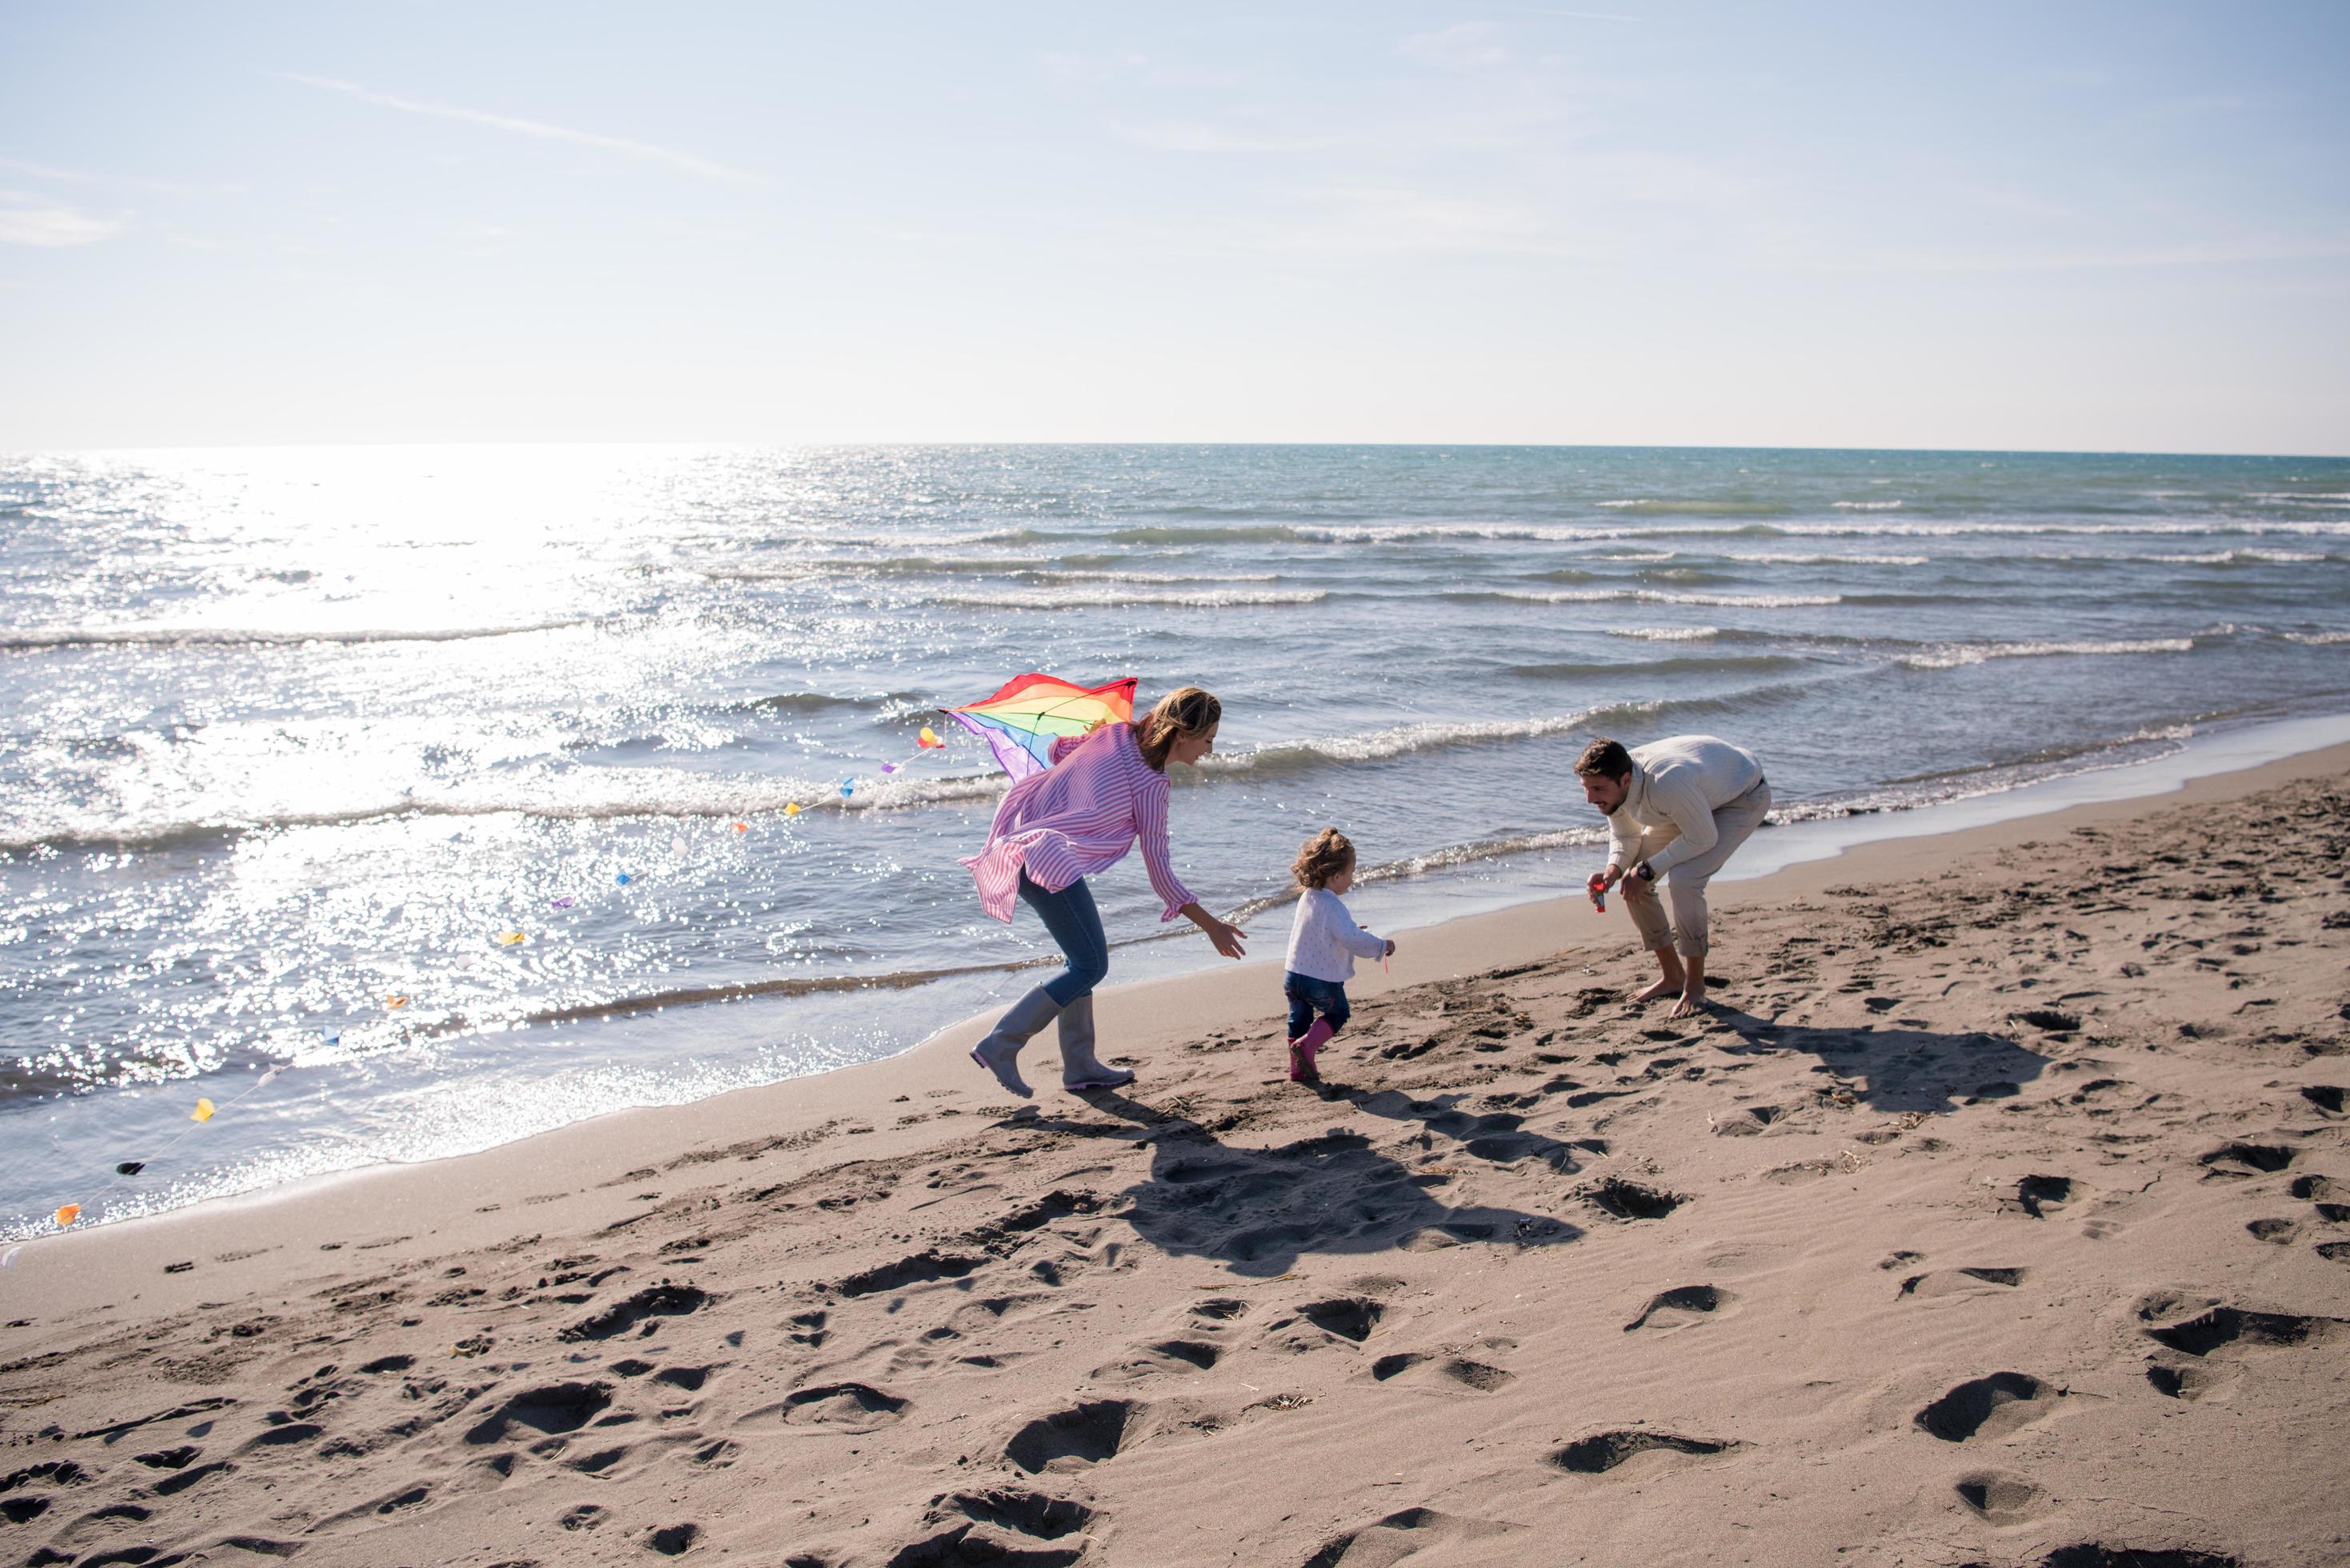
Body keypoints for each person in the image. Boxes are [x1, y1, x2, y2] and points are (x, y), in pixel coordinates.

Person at [963, 686, 1247, 1098]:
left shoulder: (1113, 734)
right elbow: (1161, 874)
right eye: (1208, 740)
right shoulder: (1152, 784)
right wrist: (1212, 926)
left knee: (1081, 960)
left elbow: (1059, 750)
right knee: (1091, 965)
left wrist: (1092, 737)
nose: (1209, 750)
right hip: (1043, 858)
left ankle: (1079, 1066)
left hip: (1031, 852)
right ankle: (1001, 1044)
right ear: (1182, 734)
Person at [1577, 734, 1771, 1018]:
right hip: (1691, 802)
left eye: (1597, 789)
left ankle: (1695, 989)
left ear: (1626, 780)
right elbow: (1626, 833)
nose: (1590, 798)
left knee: (1685, 879)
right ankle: (1672, 977)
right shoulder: (1615, 782)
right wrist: (1613, 870)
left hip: (1741, 798)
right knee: (1634, 882)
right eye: (1585, 788)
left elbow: (1703, 837)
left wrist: (1646, 871)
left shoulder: (1664, 783)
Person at [1281, 829, 1394, 1083]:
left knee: (1299, 1018)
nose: (1352, 880)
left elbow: (1321, 931)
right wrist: (1381, 945)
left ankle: (1297, 1069)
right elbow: (1353, 940)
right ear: (1336, 876)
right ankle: (1307, 1047)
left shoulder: (1307, 897)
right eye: (1351, 874)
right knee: (1338, 1012)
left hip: (1293, 975)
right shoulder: (1333, 905)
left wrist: (1348, 931)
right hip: (1319, 980)